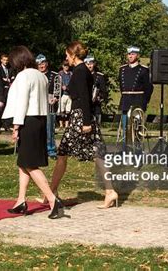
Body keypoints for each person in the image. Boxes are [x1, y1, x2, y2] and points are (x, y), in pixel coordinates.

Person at [47, 41, 118, 209]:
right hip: (82, 116)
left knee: (64, 153)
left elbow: (85, 97)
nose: (66, 58)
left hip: (81, 117)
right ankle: (109, 191)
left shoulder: (80, 71)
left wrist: (86, 122)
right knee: (94, 153)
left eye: (67, 55)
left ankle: (50, 193)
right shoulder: (82, 70)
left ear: (73, 55)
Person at [2, 46, 66, 219]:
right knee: (23, 162)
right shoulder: (41, 75)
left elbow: (22, 102)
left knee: (30, 164)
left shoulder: (23, 76)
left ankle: (53, 200)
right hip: (40, 119)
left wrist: (16, 126)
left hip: (27, 120)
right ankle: (21, 200)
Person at [118, 46, 153, 149]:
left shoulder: (143, 70)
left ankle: (137, 152)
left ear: (138, 55)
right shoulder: (122, 69)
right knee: (125, 129)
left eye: (133, 54)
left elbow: (149, 88)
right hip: (125, 102)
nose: (130, 56)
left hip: (138, 102)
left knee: (137, 130)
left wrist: (144, 102)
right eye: (129, 54)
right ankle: (125, 152)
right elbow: (122, 87)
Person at [36, 53, 59, 159]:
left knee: (50, 128)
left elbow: (57, 91)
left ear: (47, 64)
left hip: (50, 104)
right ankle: (39, 149)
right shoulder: (34, 75)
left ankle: (51, 150)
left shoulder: (54, 75)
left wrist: (55, 98)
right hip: (36, 104)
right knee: (37, 128)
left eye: (43, 63)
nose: (41, 65)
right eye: (39, 64)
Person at [84, 54, 108, 125]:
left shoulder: (99, 76)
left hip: (96, 106)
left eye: (91, 64)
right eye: (87, 64)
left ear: (94, 64)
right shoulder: (82, 75)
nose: (89, 66)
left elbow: (104, 92)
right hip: (84, 105)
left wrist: (99, 97)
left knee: (96, 128)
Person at [0, 54, 14, 133]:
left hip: (9, 91)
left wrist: (10, 79)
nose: (6, 62)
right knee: (0, 109)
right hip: (1, 91)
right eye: (4, 60)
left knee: (8, 108)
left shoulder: (10, 69)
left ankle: (7, 126)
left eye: (7, 60)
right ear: (1, 60)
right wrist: (6, 80)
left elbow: (12, 77)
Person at [58, 60, 72, 129]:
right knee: (61, 110)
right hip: (62, 94)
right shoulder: (60, 74)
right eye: (65, 66)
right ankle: (61, 125)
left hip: (69, 94)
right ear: (63, 66)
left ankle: (66, 125)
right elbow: (58, 83)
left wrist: (68, 88)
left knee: (68, 110)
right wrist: (61, 86)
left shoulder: (71, 74)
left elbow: (72, 83)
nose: (66, 67)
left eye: (67, 66)